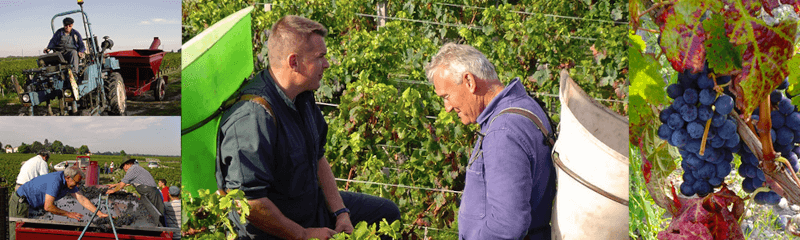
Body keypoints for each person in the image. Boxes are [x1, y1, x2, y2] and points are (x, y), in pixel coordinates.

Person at [215, 15, 400, 240]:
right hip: (273, 231)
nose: (327, 63)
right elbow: (250, 203)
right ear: (294, 62)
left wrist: (341, 213)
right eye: (320, 57)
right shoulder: (252, 116)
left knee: (386, 213)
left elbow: (318, 157)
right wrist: (303, 235)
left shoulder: (302, 97)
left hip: (307, 209)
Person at [425, 43, 557, 240]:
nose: (447, 108)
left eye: (446, 96)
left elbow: (506, 225)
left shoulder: (503, 132)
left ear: (469, 81)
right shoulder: (524, 106)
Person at [9, 166, 108, 240]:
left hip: (33, 204)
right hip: (21, 202)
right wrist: (68, 214)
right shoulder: (55, 181)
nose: (77, 185)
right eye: (76, 182)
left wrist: (99, 213)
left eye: (79, 183)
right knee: (17, 233)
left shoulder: (69, 184)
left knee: (28, 232)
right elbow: (48, 207)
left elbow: (81, 198)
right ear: (68, 177)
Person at [105, 159, 165, 226]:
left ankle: (161, 230)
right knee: (150, 213)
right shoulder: (136, 169)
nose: (124, 168)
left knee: (156, 214)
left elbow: (122, 184)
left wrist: (112, 191)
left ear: (129, 163)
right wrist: (114, 185)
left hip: (151, 193)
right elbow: (128, 183)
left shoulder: (133, 169)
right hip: (147, 193)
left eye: (124, 166)